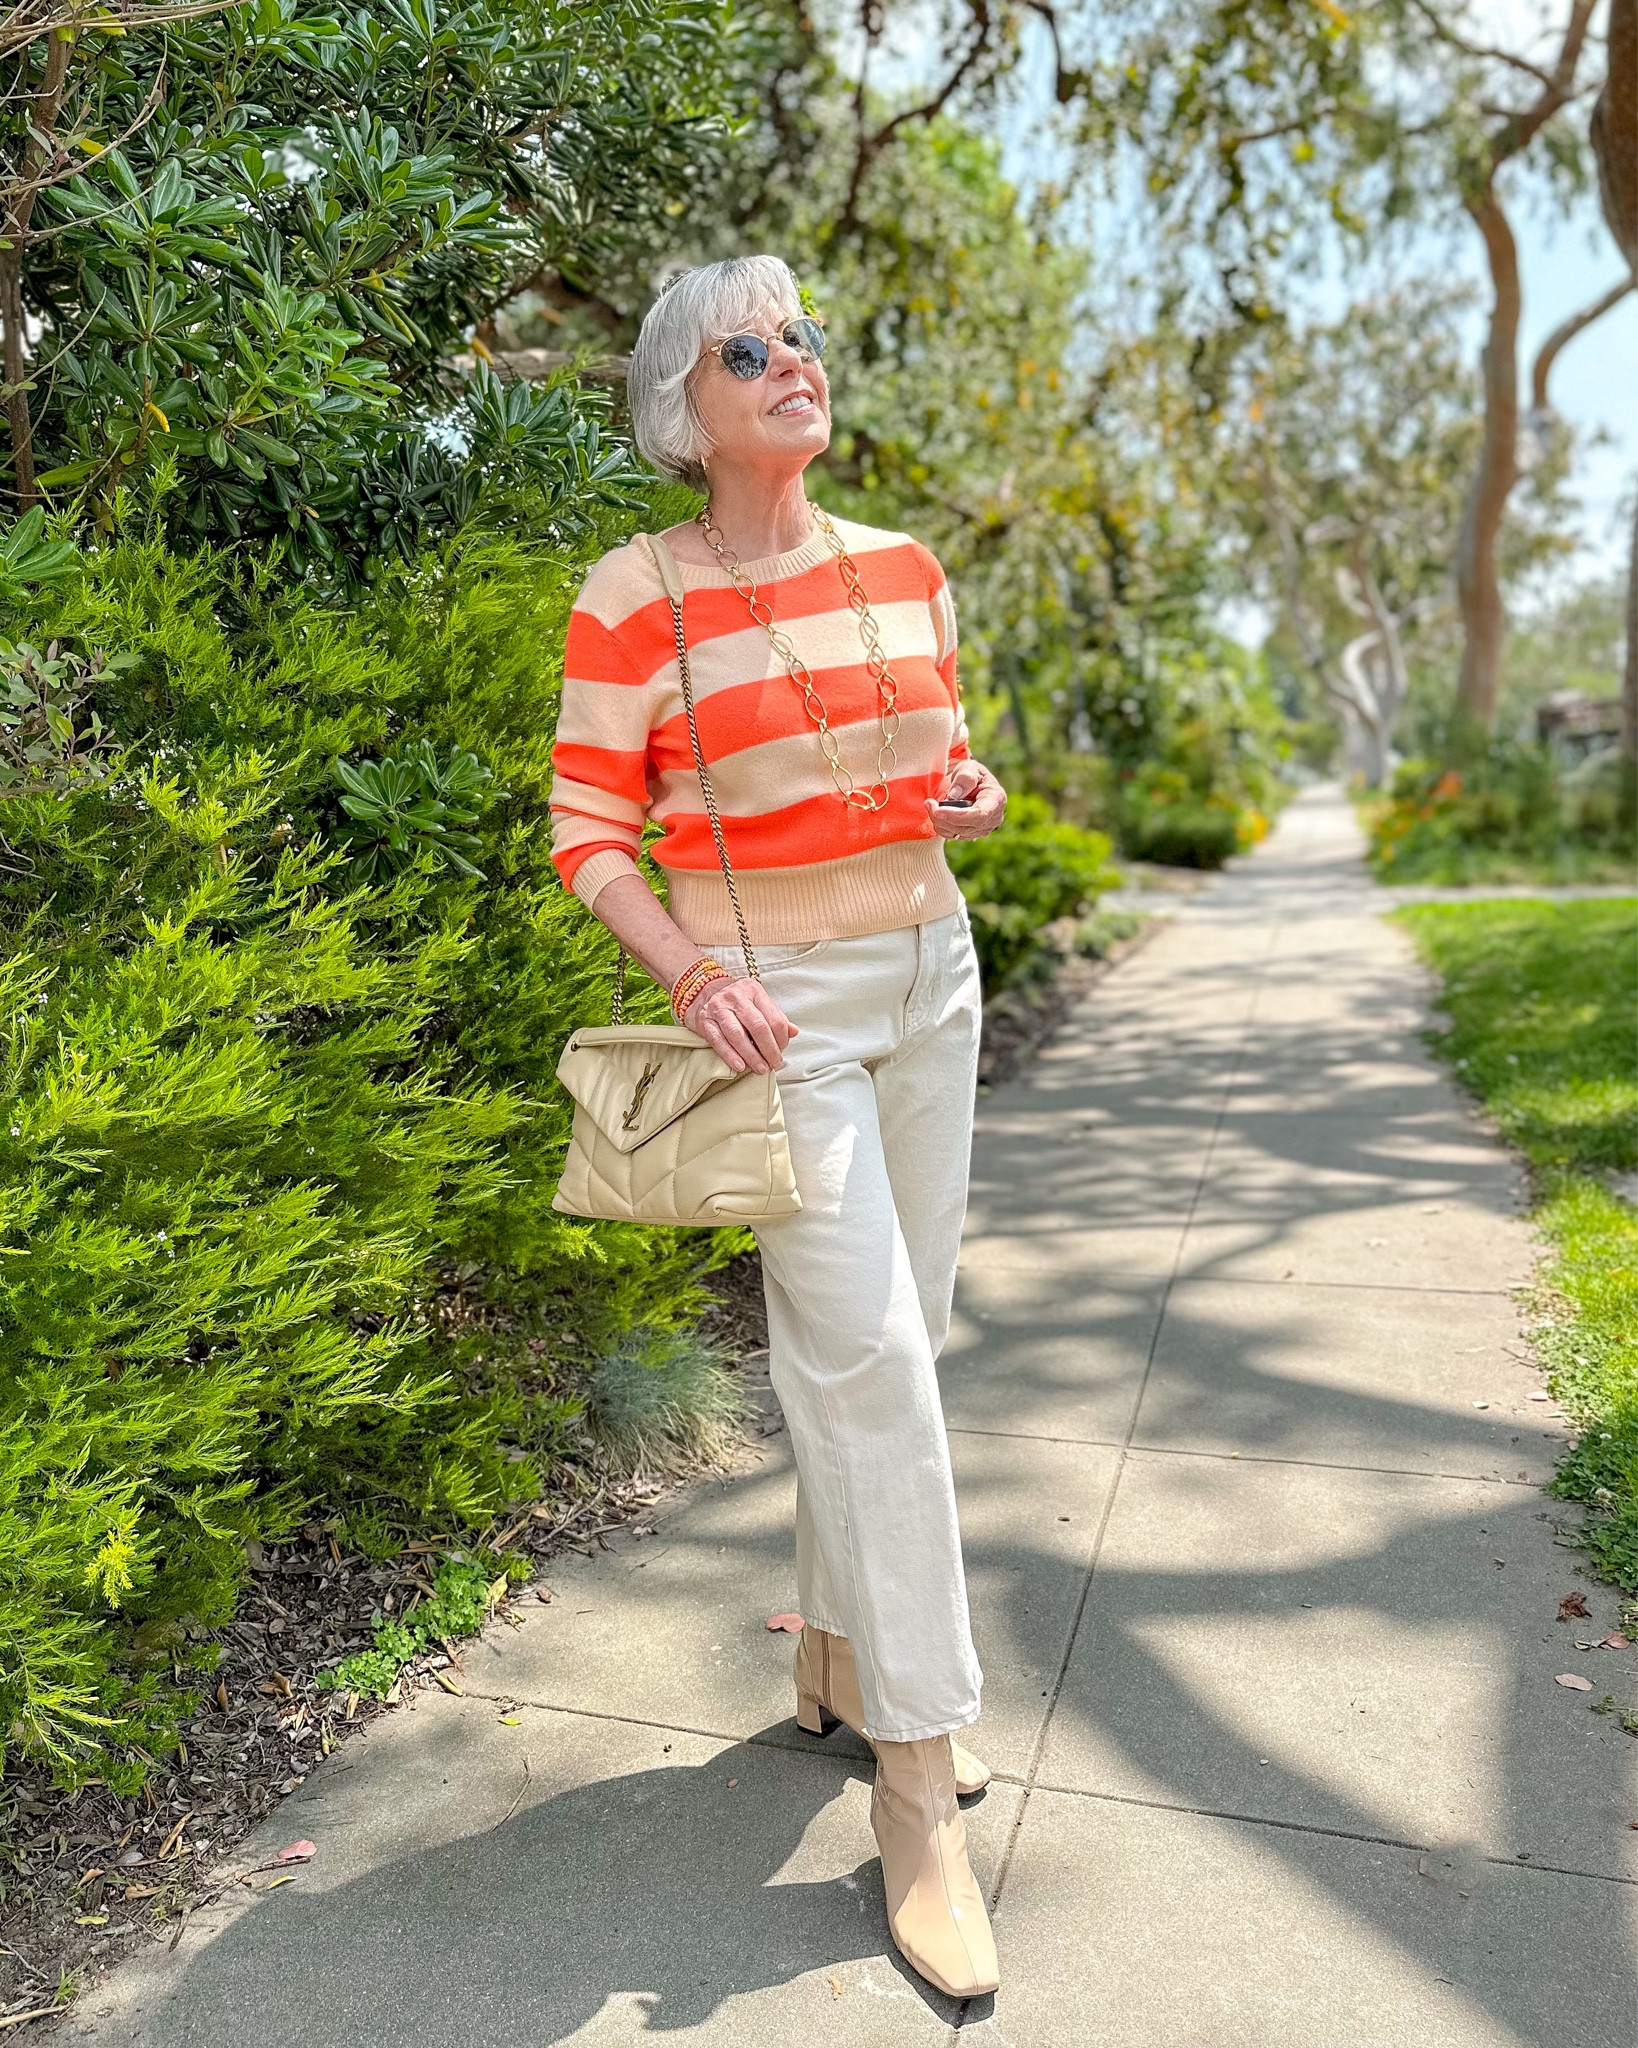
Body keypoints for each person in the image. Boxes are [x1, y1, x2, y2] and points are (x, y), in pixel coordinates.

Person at [548, 254, 1009, 2000]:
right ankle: (916, 1785)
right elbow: (587, 825)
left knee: (909, 1343)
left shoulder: (905, 571)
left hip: (931, 977)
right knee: (872, 1364)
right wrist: (686, 973)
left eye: (802, 336)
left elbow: (940, 765)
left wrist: (965, 794)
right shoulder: (633, 593)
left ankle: (829, 1648)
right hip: (773, 1011)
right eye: (750, 347)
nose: (792, 362)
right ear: (688, 401)